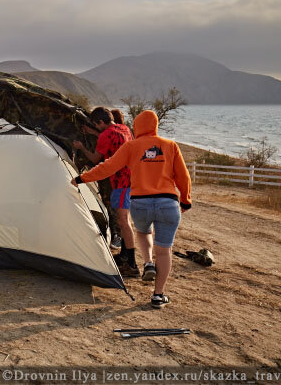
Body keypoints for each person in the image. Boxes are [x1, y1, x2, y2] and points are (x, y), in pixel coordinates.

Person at [71, 110, 192, 308]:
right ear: (155, 126)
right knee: (164, 250)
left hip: (141, 202)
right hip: (168, 202)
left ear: (137, 127)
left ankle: (147, 263)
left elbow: (107, 166)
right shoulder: (170, 146)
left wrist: (81, 178)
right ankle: (158, 295)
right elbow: (183, 176)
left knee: (144, 233)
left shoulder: (132, 146)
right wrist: (185, 200)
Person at [73, 107, 137, 277]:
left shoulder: (105, 136)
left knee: (123, 221)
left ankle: (131, 264)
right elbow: (113, 141)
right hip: (131, 179)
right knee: (125, 220)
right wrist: (95, 132)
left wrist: (81, 147)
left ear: (100, 122)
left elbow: (95, 158)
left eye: (96, 124)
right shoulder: (124, 129)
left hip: (120, 182)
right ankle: (124, 256)